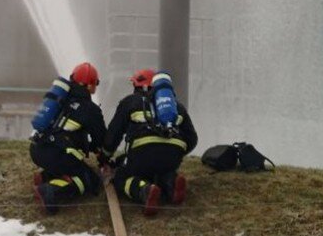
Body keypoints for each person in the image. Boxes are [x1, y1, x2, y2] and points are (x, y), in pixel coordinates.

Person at [101, 68, 198, 216]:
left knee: (121, 176)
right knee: (163, 171)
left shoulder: (130, 102)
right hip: (172, 155)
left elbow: (114, 134)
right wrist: (177, 153)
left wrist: (104, 157)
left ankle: (144, 190)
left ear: (140, 86)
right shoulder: (177, 107)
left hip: (142, 154)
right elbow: (192, 139)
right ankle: (171, 183)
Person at [30, 62, 107, 214]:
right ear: (90, 85)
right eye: (96, 83)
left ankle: (46, 175)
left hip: (36, 149)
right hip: (56, 153)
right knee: (89, 180)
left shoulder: (61, 98)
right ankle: (50, 191)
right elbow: (102, 139)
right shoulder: (90, 109)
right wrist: (103, 154)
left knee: (71, 165)